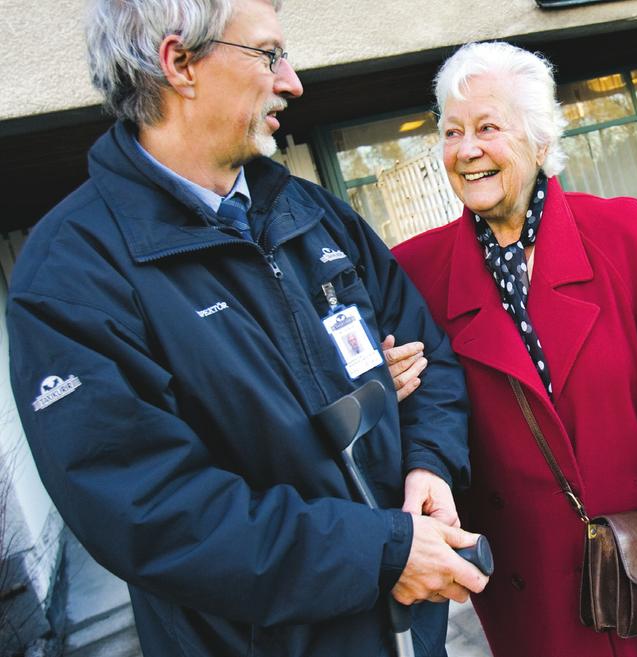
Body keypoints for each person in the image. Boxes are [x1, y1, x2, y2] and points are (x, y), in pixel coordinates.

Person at [6, 1, 488, 655]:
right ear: (179, 63)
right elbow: (157, 514)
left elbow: (426, 352)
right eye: (268, 54)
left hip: (410, 632)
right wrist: (382, 553)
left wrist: (427, 462)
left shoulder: (309, 210)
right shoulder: (71, 275)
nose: (292, 81)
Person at [392, 41, 637, 657]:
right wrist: (385, 384)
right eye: (452, 132)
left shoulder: (618, 232)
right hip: (528, 588)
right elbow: (416, 411)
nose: (467, 149)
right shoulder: (414, 272)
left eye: (487, 127)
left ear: (537, 138)